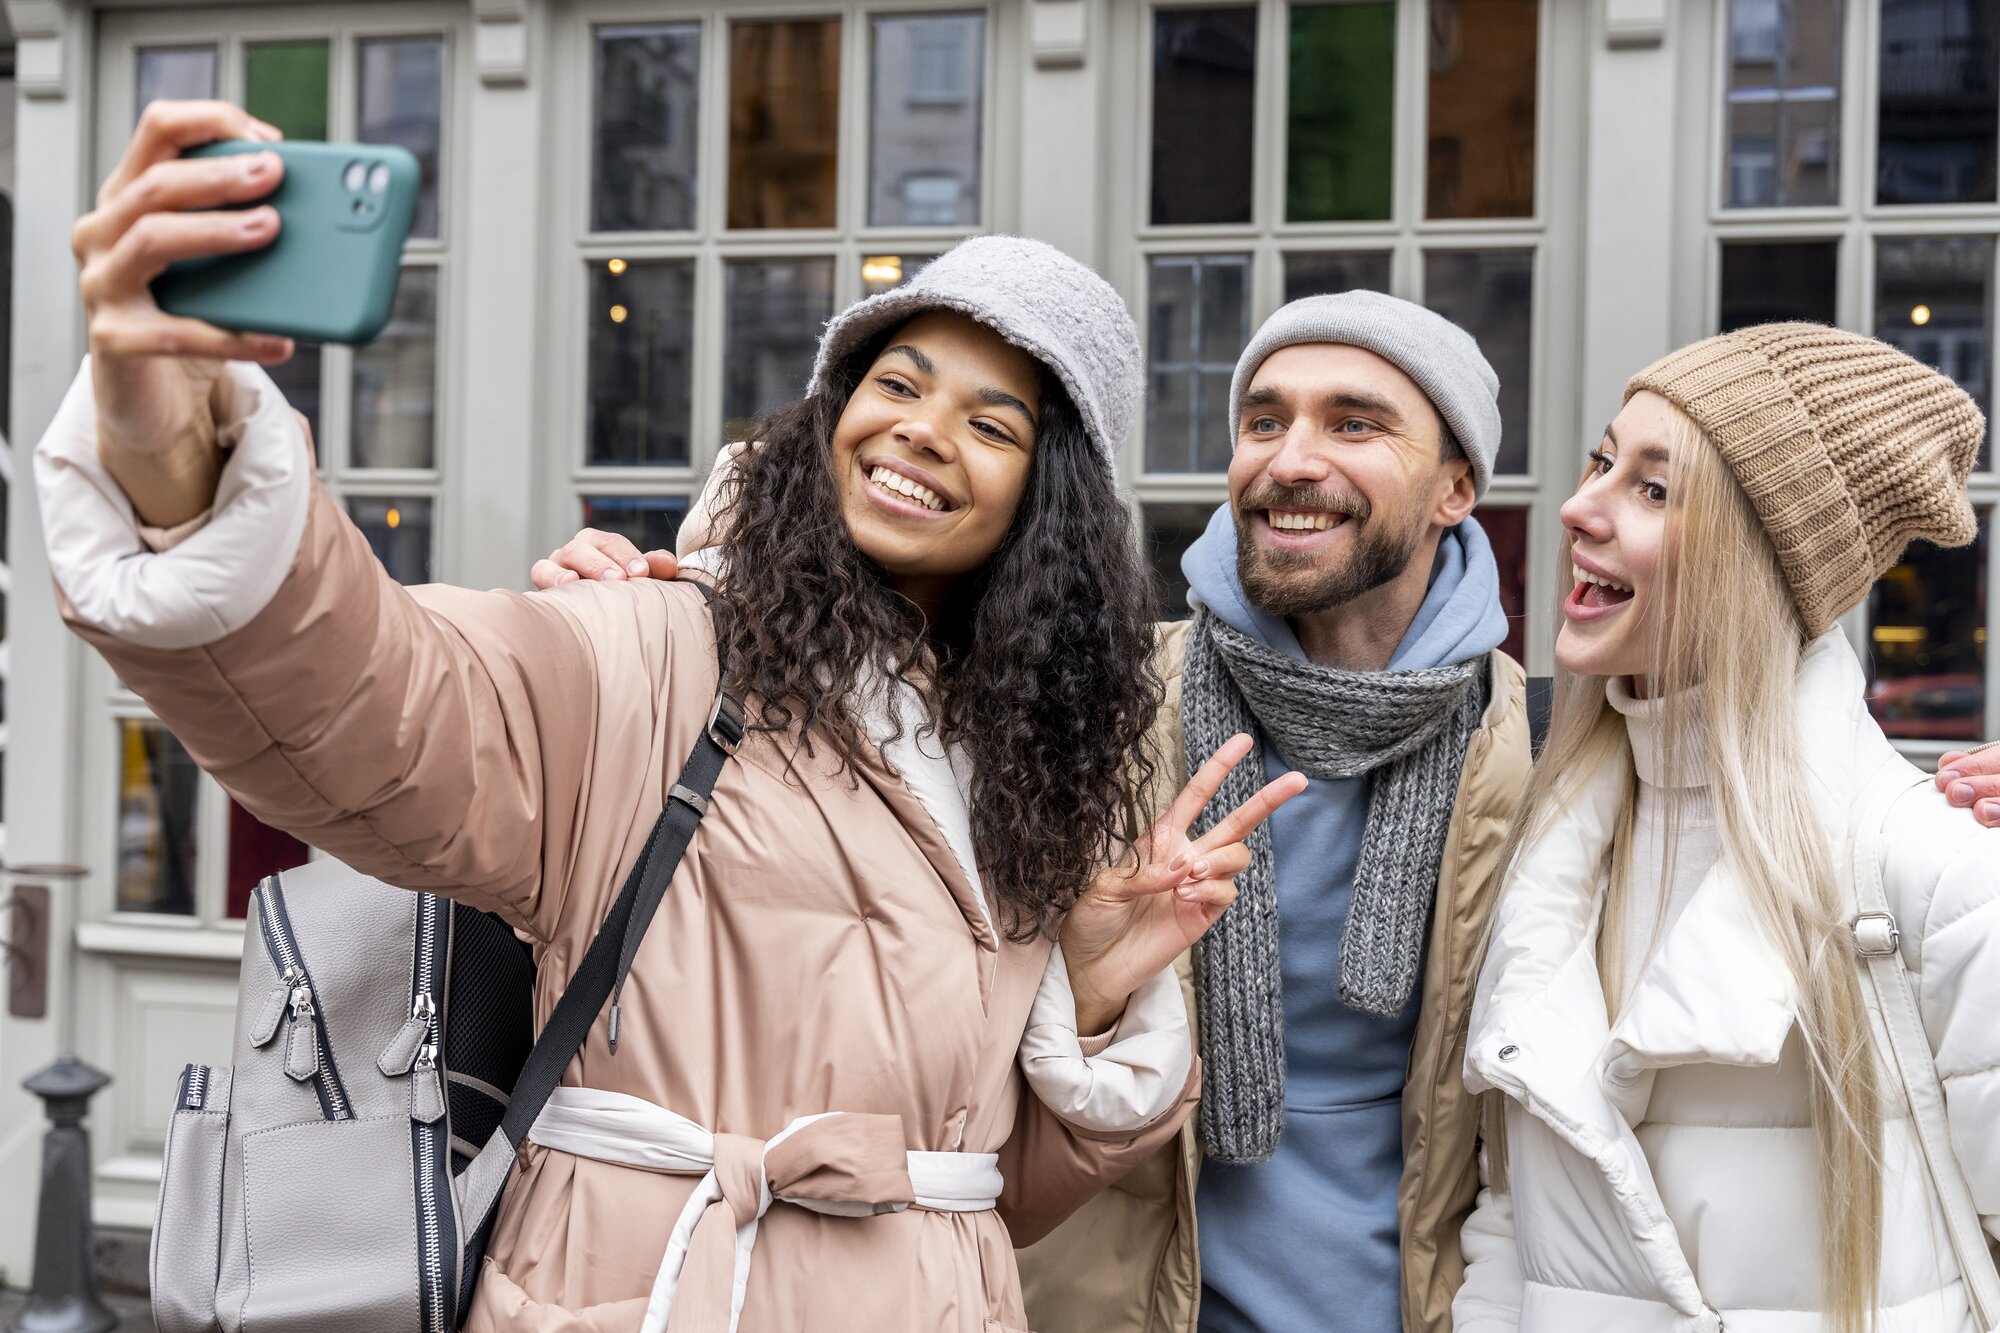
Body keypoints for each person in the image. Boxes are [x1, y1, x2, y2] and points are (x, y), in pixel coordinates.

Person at [43, 101, 1311, 1333]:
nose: (921, 433)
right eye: (897, 381)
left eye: (991, 424)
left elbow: (980, 1196)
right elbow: (377, 703)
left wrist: (1082, 994)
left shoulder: (1021, 767)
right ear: (833, 405)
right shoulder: (658, 645)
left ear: (1050, 507)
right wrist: (178, 452)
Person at [542, 290, 1532, 1333]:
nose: (1289, 458)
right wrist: (655, 606)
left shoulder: (1526, 748)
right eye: (1262, 420)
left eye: (1353, 423)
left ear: (1453, 488)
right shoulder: (1084, 698)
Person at [1454, 324, 2000, 1332]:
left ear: (1763, 558)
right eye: (1603, 462)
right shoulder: (1553, 848)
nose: (1578, 507)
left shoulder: (1932, 871)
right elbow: (1509, 1219)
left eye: (1653, 489)